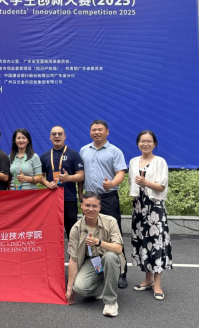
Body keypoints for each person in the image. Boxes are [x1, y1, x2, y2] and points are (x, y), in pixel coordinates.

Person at [80, 120, 128, 288]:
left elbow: (121, 172)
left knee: (115, 234)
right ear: (90, 132)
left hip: (108, 198)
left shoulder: (115, 151)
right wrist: (80, 194)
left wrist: (113, 183)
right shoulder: (84, 150)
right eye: (94, 130)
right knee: (90, 235)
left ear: (107, 131)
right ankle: (98, 271)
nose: (96, 132)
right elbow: (81, 174)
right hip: (89, 200)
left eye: (100, 129)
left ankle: (122, 273)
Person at [65, 191, 125, 317]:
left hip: (111, 259)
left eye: (94, 206)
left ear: (99, 207)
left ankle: (111, 302)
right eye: (87, 205)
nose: (91, 209)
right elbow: (73, 259)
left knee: (109, 257)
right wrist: (69, 289)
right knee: (79, 288)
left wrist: (98, 242)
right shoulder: (76, 229)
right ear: (82, 206)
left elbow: (119, 249)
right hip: (92, 261)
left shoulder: (110, 221)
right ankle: (104, 286)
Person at [129, 130, 172, 300]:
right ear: (138, 143)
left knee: (157, 244)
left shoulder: (160, 161)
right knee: (142, 242)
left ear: (155, 144)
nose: (145, 144)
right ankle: (147, 279)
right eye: (142, 141)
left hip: (155, 208)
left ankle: (157, 284)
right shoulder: (133, 161)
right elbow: (133, 185)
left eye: (149, 141)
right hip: (139, 207)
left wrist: (145, 182)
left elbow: (161, 186)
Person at [40, 126, 85, 238]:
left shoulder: (73, 154)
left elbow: (81, 175)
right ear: (50, 137)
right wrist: (47, 183)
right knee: (52, 233)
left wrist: (68, 178)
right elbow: (40, 176)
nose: (57, 136)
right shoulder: (45, 156)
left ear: (64, 136)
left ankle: (73, 250)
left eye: (60, 134)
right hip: (51, 199)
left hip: (69, 199)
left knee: (72, 233)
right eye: (54, 134)